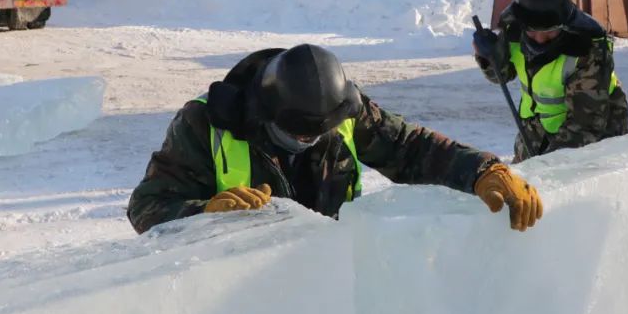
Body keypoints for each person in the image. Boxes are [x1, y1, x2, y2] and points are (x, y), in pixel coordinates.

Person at [127, 44, 543, 235]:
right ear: (265, 112)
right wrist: (204, 215)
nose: (308, 141)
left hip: (325, 288)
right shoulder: (204, 123)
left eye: (317, 133)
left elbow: (410, 147)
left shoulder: (342, 110)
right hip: (237, 304)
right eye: (296, 134)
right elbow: (146, 208)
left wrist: (483, 170)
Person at [473, 0, 628, 161]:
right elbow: (502, 76)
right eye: (532, 32)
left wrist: (547, 167)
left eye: (549, 32)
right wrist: (490, 58)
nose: (539, 40)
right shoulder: (514, 30)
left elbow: (585, 126)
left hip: (596, 136)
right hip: (538, 130)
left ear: (564, 25)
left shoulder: (585, 49)